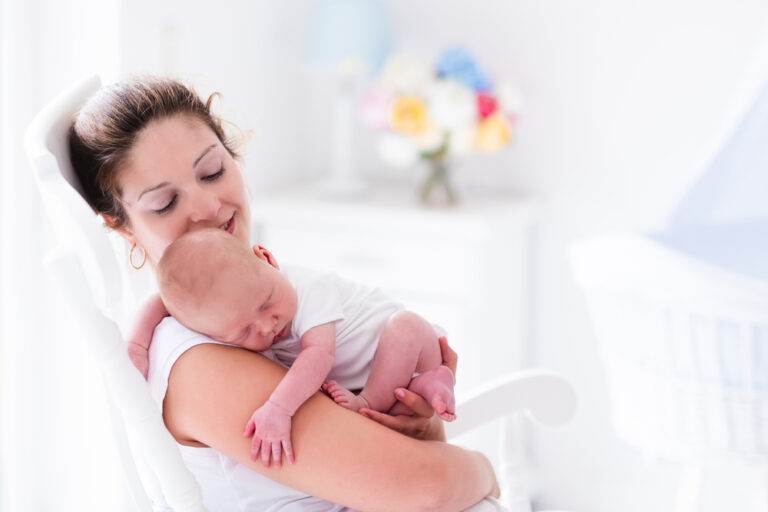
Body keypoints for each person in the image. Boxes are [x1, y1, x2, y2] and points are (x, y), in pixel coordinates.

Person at [69, 75, 502, 511]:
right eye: (165, 203)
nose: (206, 208)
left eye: (213, 171)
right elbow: (424, 488)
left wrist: (417, 425)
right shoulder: (196, 363)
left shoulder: (265, 292)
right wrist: (484, 470)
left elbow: (416, 475)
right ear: (123, 226)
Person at [144, 227, 457, 468]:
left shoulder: (308, 289)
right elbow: (165, 304)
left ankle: (383, 396)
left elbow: (319, 355)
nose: (267, 326)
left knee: (405, 325)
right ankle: (428, 384)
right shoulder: (227, 317)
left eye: (266, 303)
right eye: (244, 331)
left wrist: (278, 408)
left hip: (415, 346)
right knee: (402, 428)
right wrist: (135, 342)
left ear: (268, 259)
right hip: (397, 385)